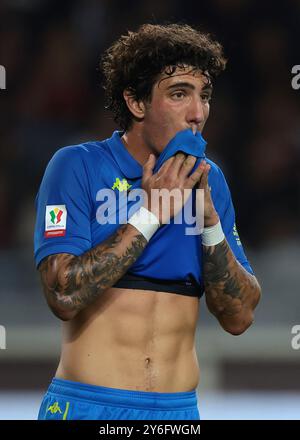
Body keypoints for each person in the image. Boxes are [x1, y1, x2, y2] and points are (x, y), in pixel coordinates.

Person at [34, 23, 261, 420]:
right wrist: (151, 213)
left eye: (204, 96)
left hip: (177, 415)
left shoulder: (212, 183)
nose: (197, 114)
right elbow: (62, 295)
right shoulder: (77, 166)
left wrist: (209, 222)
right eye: (179, 94)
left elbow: (240, 318)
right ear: (137, 103)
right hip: (89, 407)